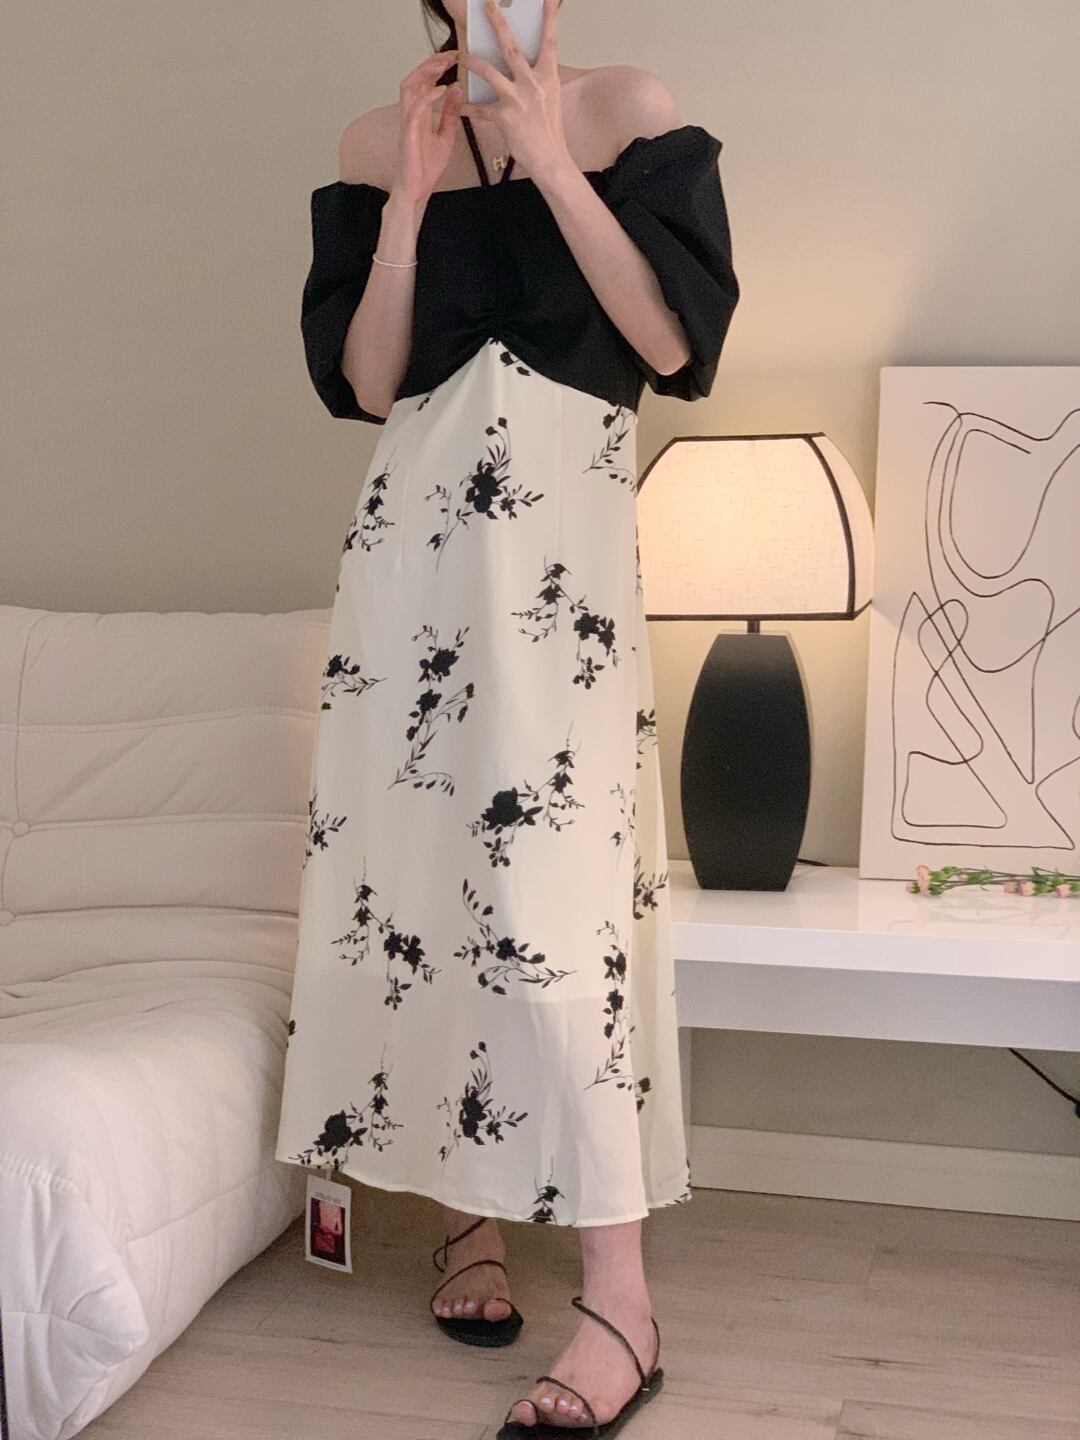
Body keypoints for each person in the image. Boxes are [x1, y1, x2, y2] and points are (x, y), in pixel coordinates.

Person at [274, 0, 739, 1432]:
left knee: (559, 920)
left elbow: (672, 343)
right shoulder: (377, 139)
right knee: (421, 894)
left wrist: (546, 156)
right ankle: (464, 1225)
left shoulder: (627, 110)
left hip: (560, 579)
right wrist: (412, 198)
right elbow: (368, 382)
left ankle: (623, 1305)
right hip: (409, 570)